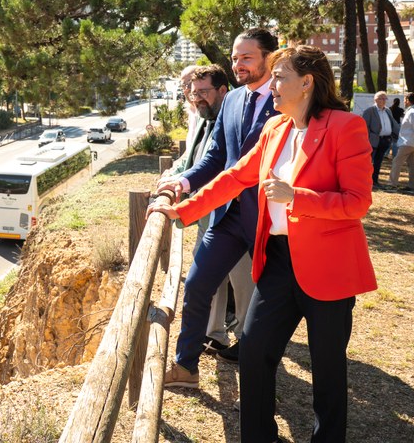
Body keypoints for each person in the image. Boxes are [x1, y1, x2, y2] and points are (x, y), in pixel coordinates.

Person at [149, 45, 377, 443]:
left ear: (306, 83)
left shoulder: (345, 127)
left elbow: (358, 202)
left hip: (330, 267)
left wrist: (296, 197)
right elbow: (235, 176)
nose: (271, 85)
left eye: (280, 77)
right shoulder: (275, 128)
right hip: (278, 262)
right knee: (253, 350)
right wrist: (182, 210)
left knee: (327, 368)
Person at [156, 27, 279, 383]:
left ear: (269, 57)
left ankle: (259, 377)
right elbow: (216, 157)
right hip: (227, 215)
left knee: (265, 304)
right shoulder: (233, 100)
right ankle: (186, 366)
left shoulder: (287, 99)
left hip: (271, 219)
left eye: (247, 57)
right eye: (235, 57)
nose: (238, 64)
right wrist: (182, 182)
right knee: (197, 284)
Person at [166, 64, 252, 353]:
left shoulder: (234, 117)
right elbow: (197, 159)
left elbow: (224, 166)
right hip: (207, 211)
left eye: (203, 92)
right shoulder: (204, 118)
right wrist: (178, 179)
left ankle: (246, 339)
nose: (196, 98)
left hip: (233, 212)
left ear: (222, 90)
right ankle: (213, 333)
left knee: (242, 280)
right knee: (206, 279)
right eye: (193, 93)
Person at [386, 92, 414, 194]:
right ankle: (412, 187)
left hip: (408, 142)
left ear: (408, 100)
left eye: (404, 99)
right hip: (411, 142)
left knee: (397, 162)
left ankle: (392, 184)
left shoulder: (412, 112)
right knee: (412, 165)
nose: (403, 101)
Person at [361, 91, 399, 189]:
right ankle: (365, 181)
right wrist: (369, 137)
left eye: (385, 98)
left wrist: (398, 134)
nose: (384, 100)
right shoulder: (370, 111)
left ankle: (375, 181)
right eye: (382, 98)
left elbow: (393, 123)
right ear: (376, 99)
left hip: (385, 140)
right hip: (373, 140)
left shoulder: (388, 110)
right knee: (369, 162)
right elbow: (364, 126)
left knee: (378, 162)